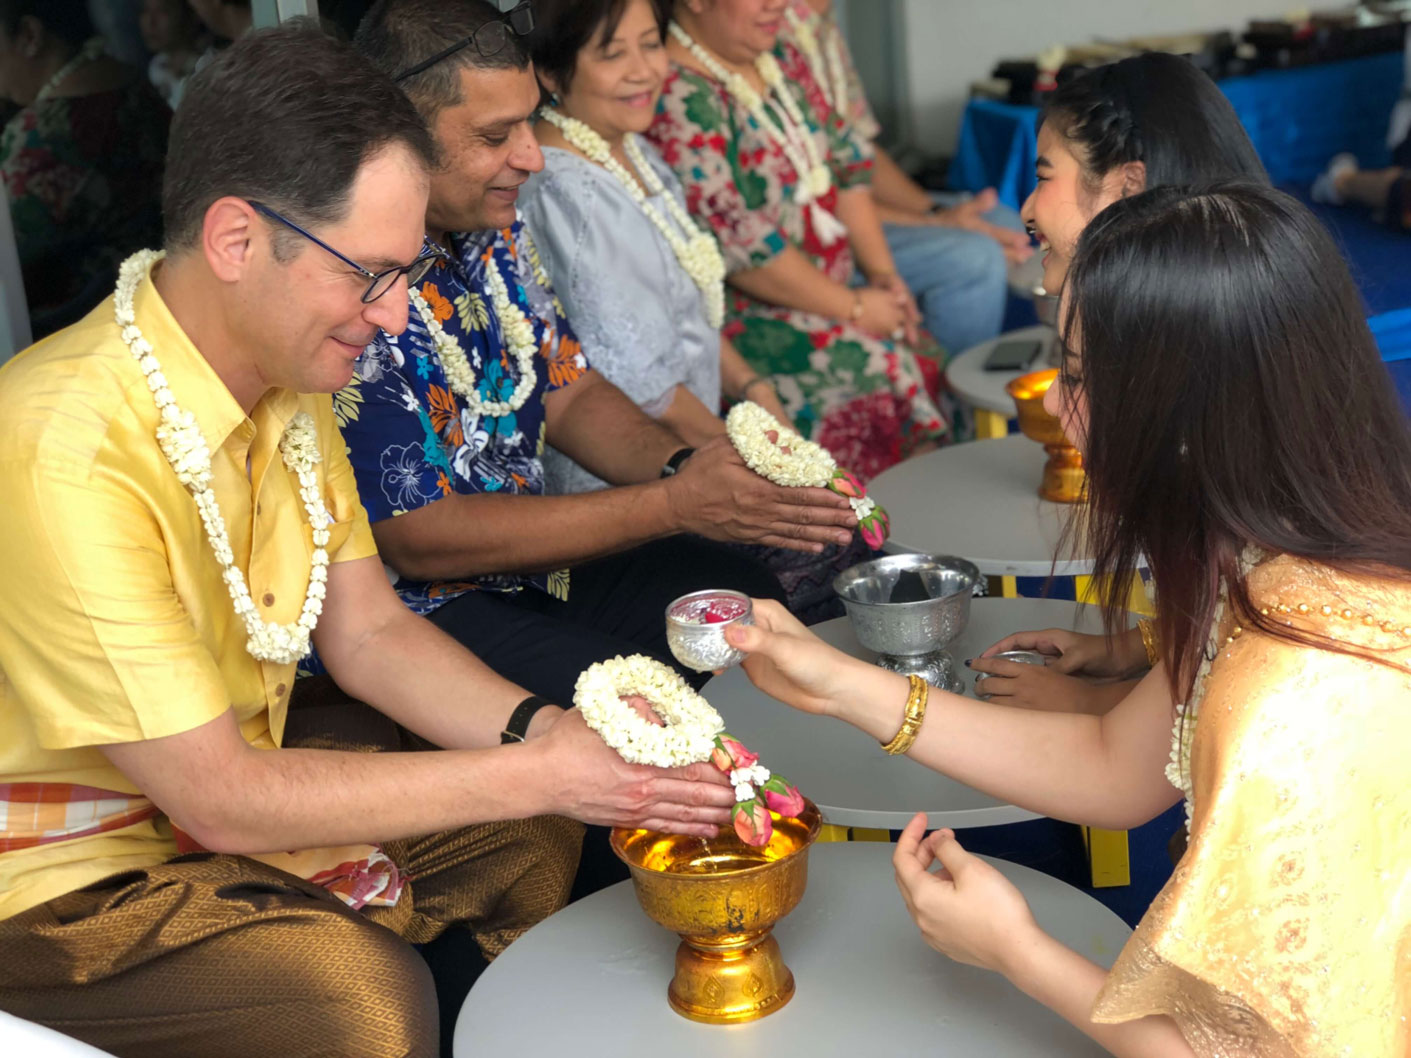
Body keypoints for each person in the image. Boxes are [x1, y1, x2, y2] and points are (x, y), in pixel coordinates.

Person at [0, 24, 734, 1058]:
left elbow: (371, 634)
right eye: (371, 274)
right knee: (359, 995)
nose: (395, 318)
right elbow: (217, 792)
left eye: (408, 274)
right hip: (65, 884)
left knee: (537, 836)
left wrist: (550, 736)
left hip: (224, 810)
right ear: (235, 241)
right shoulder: (63, 444)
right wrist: (537, 767)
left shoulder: (288, 383)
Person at [724, 183, 1411, 1055]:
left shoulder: (1294, 688)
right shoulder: (1288, 556)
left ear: (1186, 411)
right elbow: (1117, 768)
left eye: (1079, 378)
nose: (1053, 404)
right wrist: (843, 687)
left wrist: (1014, 951)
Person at [343, 0, 861, 711]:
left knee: (747, 607)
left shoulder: (491, 223)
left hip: (534, 570)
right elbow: (420, 538)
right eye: (497, 134)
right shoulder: (354, 279)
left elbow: (570, 390)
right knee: (646, 701)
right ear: (396, 134)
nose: (531, 153)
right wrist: (677, 502)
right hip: (416, 613)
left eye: (533, 117)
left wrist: (691, 467)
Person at [521, 0, 867, 621]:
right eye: (612, 53)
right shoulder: (565, 192)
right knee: (827, 552)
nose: (643, 70)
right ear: (550, 72)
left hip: (695, 445)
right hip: (628, 486)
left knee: (842, 531)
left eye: (650, 44)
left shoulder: (633, 154)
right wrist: (764, 469)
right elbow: (643, 386)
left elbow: (699, 306)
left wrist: (757, 394)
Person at [971, 51, 1270, 714]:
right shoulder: (1227, 299)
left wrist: (1099, 711)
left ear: (1126, 185)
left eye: (1043, 175)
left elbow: (1267, 641)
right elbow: (1237, 599)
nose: (1024, 209)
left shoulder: (1195, 357)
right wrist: (1141, 648)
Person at [648, 0, 949, 481]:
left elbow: (847, 169)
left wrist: (883, 276)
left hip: (829, 289)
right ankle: (862, 532)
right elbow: (744, 249)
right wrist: (853, 306)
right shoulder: (675, 93)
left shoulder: (780, 54)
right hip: (742, 317)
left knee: (919, 342)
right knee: (875, 365)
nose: (780, 3)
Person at [785, 0, 1031, 354]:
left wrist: (933, 212)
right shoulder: (769, 27)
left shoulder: (821, 21)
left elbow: (859, 151)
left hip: (850, 209)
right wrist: (938, 223)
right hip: (815, 233)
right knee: (976, 257)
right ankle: (950, 400)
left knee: (1005, 221)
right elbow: (817, 199)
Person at [0, 0, 170, 336]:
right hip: (156, 311)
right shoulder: (131, 85)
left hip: (84, 338)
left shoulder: (42, 139)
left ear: (30, 36)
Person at [140, 0, 208, 108]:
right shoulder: (155, 69)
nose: (150, 22)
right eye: (145, 10)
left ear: (190, 16)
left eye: (163, 11)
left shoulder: (207, 68)